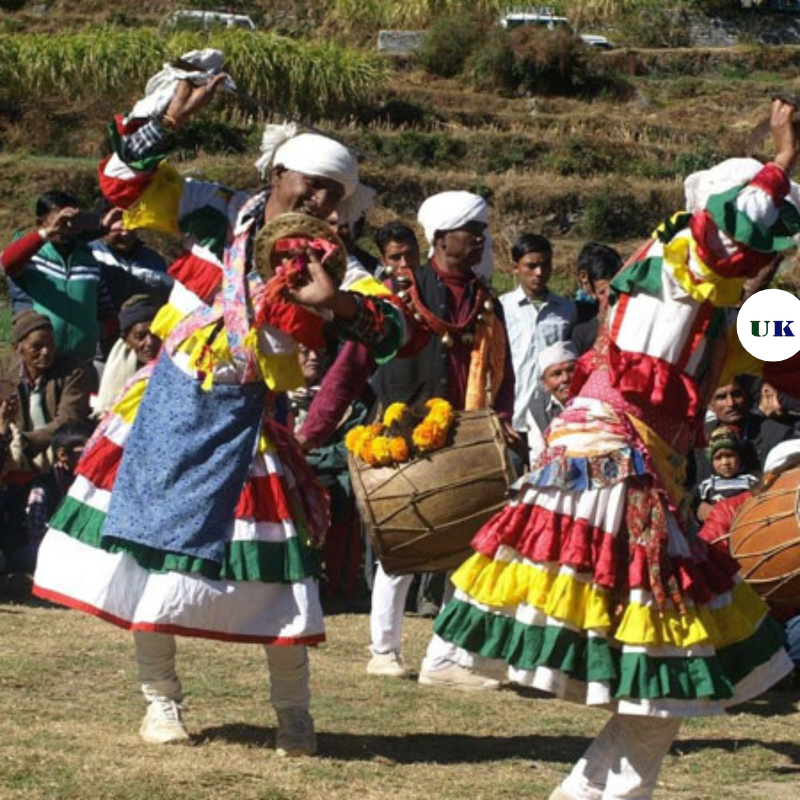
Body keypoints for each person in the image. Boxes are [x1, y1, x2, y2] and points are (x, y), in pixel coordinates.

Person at [32, 61, 412, 757]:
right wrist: (171, 120)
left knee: (279, 578)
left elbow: (390, 331)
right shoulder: (213, 212)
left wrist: (335, 303)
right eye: (310, 184)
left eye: (334, 194)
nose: (320, 200)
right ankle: (161, 702)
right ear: (279, 174)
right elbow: (121, 183)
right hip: (163, 413)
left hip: (249, 430)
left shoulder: (336, 264)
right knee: (148, 562)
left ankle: (294, 713)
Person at [430, 99, 800, 800]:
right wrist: (783, 157)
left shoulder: (718, 308)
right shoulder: (677, 254)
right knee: (670, 665)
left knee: (670, 676)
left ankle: (585, 792)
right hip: (609, 460)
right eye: (769, 239)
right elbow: (732, 232)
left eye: (779, 249)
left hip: (634, 468)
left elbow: (785, 355)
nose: (769, 258)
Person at [300, 191, 518, 687]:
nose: (481, 240)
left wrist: (502, 419)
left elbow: (503, 376)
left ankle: (447, 657)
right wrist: (312, 432)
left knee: (468, 553)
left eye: (481, 232)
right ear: (440, 238)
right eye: (472, 232)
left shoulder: (487, 302)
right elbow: (350, 367)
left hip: (467, 438)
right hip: (402, 432)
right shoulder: (395, 297)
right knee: (400, 549)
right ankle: (384, 650)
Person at [0, 311, 93, 574]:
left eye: (50, 344)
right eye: (36, 347)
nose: (46, 352)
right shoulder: (4, 370)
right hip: (11, 450)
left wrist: (25, 442)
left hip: (52, 450)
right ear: (19, 348)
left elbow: (68, 419)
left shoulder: (73, 369)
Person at [0, 191, 118, 363]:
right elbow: (7, 263)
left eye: (70, 221)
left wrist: (95, 331)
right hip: (37, 359)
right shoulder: (29, 254)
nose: (65, 227)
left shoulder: (88, 260)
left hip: (81, 360)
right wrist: (47, 232)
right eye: (59, 220)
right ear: (40, 222)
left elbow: (107, 309)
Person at [499, 233, 576, 451]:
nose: (539, 273)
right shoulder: (501, 308)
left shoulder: (566, 309)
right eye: (531, 266)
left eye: (545, 265)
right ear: (515, 267)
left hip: (553, 418)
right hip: (514, 416)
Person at [91, 204, 172, 310]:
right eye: (118, 230)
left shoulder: (154, 260)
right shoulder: (89, 253)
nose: (125, 234)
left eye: (130, 229)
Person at [94, 294, 163, 415]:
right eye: (140, 336)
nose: (150, 342)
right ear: (126, 340)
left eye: (156, 334)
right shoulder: (115, 374)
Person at [694, 425, 759, 523]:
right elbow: (698, 509)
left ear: (739, 457)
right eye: (718, 458)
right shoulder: (707, 486)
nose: (725, 462)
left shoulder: (751, 482)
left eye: (729, 456)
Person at [526, 341, 577, 463]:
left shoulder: (595, 400)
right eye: (556, 374)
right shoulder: (538, 409)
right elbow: (537, 456)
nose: (565, 378)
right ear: (544, 384)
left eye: (571, 370)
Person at [570, 243, 622, 355]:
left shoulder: (631, 321)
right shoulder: (581, 330)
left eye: (617, 291)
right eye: (602, 292)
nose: (610, 298)